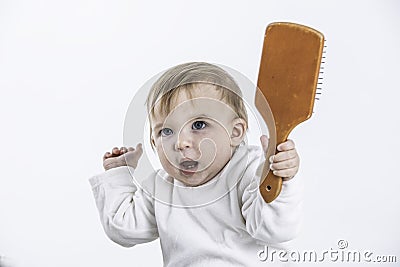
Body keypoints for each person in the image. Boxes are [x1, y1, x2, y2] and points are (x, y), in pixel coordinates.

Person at [89, 62, 303, 266]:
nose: (181, 143)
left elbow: (274, 229)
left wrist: (277, 176)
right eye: (166, 131)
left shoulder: (250, 170)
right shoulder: (161, 187)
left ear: (235, 132)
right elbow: (125, 229)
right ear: (153, 141)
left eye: (199, 125)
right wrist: (118, 173)